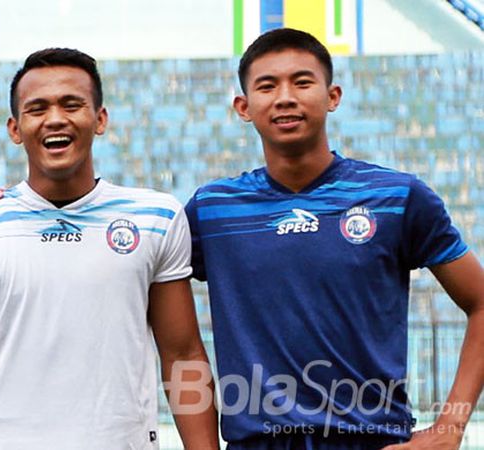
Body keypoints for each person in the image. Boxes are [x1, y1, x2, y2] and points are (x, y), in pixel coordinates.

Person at [184, 28, 483, 449]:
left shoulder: (396, 197)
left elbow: (481, 302)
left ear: (333, 96)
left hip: (371, 440)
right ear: (243, 106)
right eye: (267, 86)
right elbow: (166, 328)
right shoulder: (212, 210)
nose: (285, 96)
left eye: (302, 82)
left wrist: (450, 426)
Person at [0, 47, 219, 450]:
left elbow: (182, 355)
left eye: (72, 104)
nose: (55, 119)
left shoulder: (155, 216)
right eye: (37, 108)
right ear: (14, 128)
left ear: (100, 119)